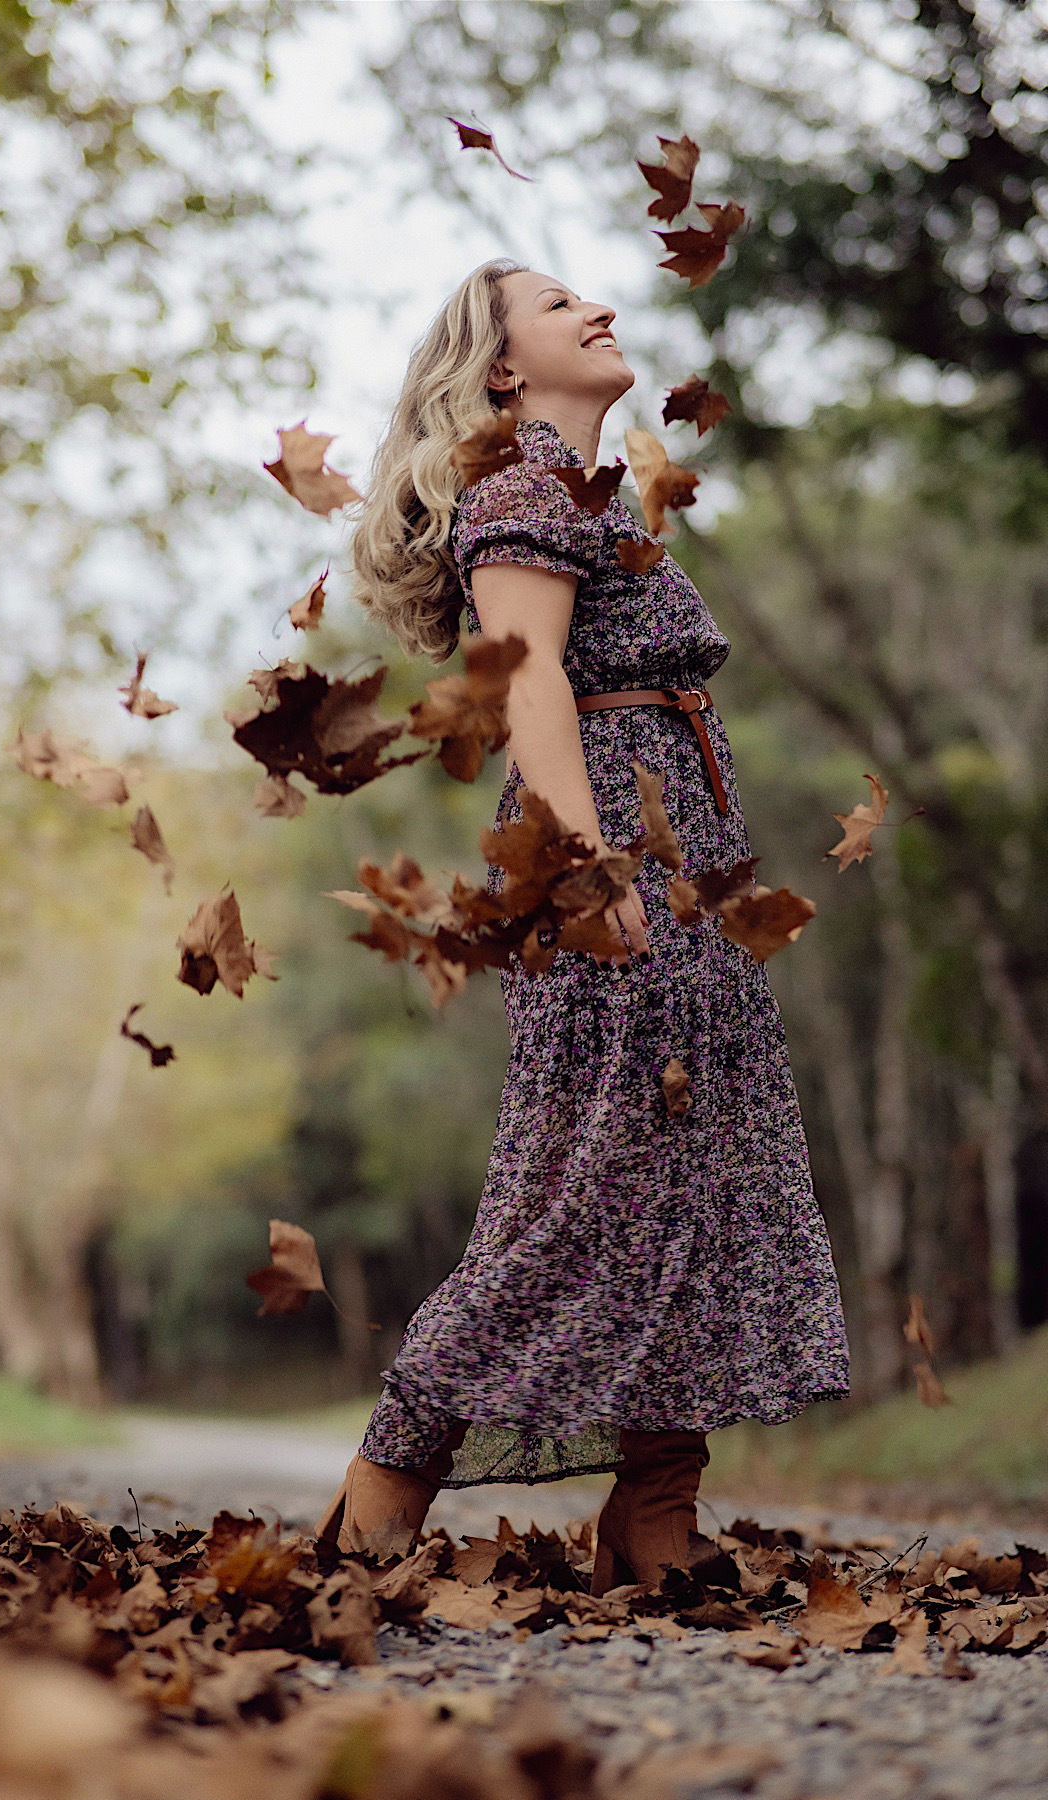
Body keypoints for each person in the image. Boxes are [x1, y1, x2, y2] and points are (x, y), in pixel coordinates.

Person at [317, 259, 850, 1593]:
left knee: (687, 1173)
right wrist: (586, 857)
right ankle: (384, 1491)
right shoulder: (524, 486)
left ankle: (655, 1511)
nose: (599, 307)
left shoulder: (587, 497)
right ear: (503, 369)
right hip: (607, 840)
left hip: (684, 852)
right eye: (561, 305)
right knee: (584, 1185)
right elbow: (526, 678)